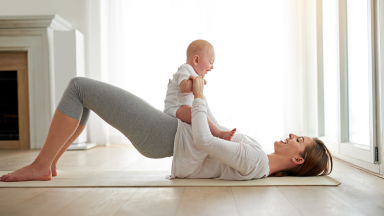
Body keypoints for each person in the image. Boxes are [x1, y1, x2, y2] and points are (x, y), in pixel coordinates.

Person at [0, 75, 332, 182]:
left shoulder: (257, 162)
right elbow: (210, 132)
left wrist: (199, 94)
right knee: (84, 96)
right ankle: (50, 164)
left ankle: (42, 165)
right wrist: (195, 98)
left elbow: (202, 139)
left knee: (78, 88)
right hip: (169, 133)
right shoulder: (257, 154)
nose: (291, 135)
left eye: (298, 140)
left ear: (299, 160)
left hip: (164, 136)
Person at [164, 39, 236, 141]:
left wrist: (198, 81)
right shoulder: (185, 68)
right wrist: (197, 83)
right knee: (198, 114)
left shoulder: (194, 73)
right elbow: (184, 86)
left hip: (182, 107)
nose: (212, 67)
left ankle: (217, 131)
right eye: (210, 62)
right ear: (196, 60)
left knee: (201, 113)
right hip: (174, 108)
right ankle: (218, 133)